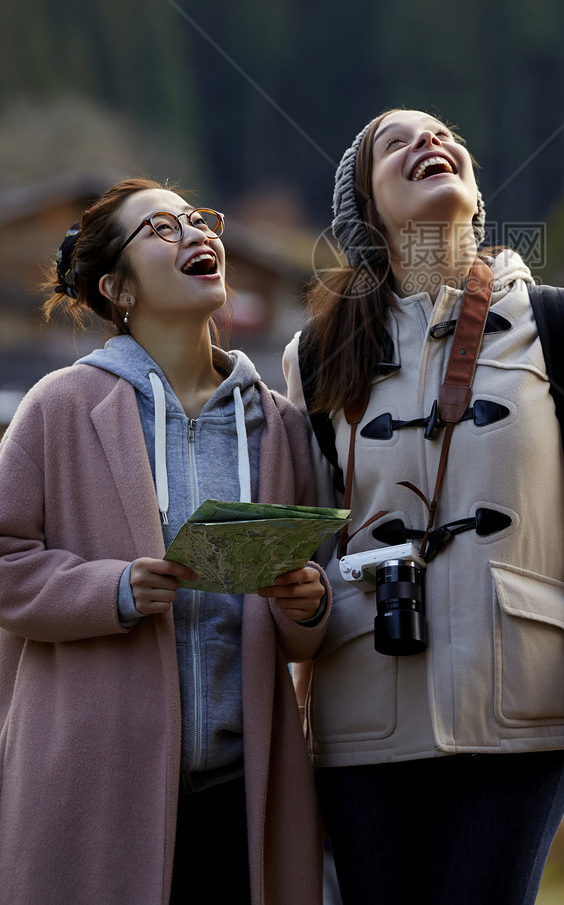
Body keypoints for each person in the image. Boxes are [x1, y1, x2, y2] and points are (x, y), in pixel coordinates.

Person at [283, 109, 564, 905]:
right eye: (398, 142)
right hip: (361, 714)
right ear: (366, 210)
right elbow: (311, 540)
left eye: (446, 133)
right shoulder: (315, 354)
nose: (432, 141)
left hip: (520, 707)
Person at [0, 177, 331, 905]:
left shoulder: (279, 425)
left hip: (241, 791)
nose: (196, 234)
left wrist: (306, 602)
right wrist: (110, 590)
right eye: (162, 228)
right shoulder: (59, 406)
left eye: (198, 220)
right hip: (90, 787)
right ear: (118, 288)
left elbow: (310, 611)